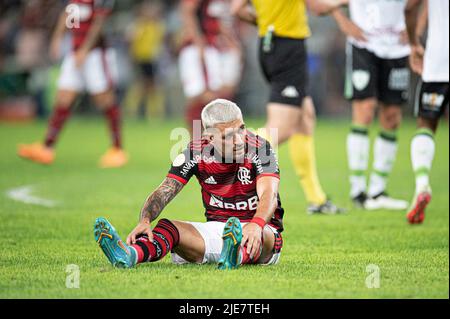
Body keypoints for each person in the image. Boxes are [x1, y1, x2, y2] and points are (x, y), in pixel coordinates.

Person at [94, 99, 284, 269]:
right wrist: (145, 220)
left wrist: (256, 225)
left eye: (241, 129)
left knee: (260, 236)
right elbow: (165, 190)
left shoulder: (261, 148)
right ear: (209, 138)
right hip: (219, 231)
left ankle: (235, 255)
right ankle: (129, 254)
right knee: (168, 228)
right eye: (228, 135)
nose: (239, 140)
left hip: (263, 230)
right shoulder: (195, 152)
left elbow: (269, 195)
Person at [231, 0, 347, 214]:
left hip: (269, 43)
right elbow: (318, 7)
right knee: (282, 128)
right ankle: (230, 158)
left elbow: (236, 8)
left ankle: (316, 199)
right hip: (288, 46)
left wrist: (266, 20)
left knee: (305, 117)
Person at [18, 0, 128, 168]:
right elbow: (68, 13)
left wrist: (85, 49)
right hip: (74, 52)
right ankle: (47, 148)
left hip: (95, 54)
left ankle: (117, 149)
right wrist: (57, 38)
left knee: (104, 100)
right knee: (63, 98)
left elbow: (99, 23)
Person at [332, 0, 411, 210]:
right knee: (364, 111)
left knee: (392, 116)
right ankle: (358, 191)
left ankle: (378, 191)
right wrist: (343, 21)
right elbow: (320, 4)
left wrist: (414, 27)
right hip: (364, 43)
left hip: (397, 47)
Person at [404, 0, 449, 224]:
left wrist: (414, 43)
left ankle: (422, 184)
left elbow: (410, 7)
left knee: (426, 125)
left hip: (439, 61)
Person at [179, 0, 242, 131]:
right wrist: (198, 41)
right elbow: (187, 10)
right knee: (201, 95)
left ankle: (214, 142)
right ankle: (197, 143)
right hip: (201, 47)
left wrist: (231, 40)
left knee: (220, 94)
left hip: (217, 47)